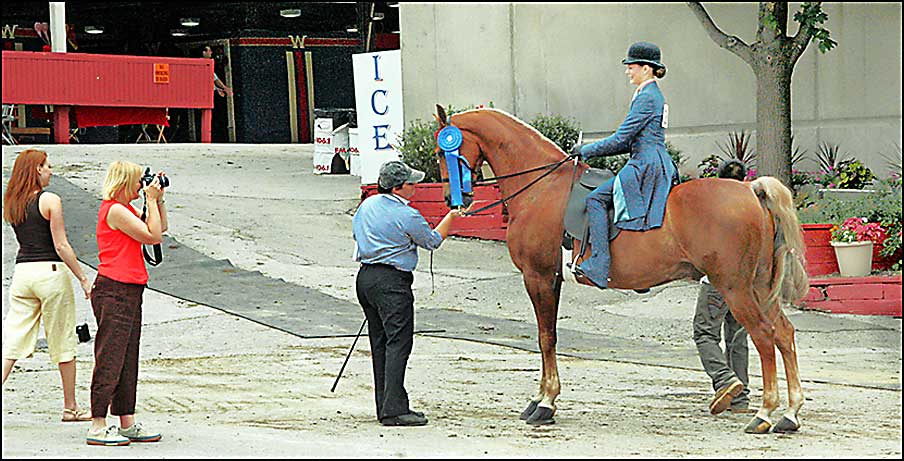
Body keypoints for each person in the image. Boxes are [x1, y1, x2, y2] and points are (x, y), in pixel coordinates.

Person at [352, 161, 464, 427]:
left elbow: (357, 235)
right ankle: (394, 409)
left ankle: (385, 404)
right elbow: (432, 241)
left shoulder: (367, 205)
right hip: (392, 281)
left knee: (380, 343)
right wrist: (452, 217)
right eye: (411, 183)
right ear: (398, 187)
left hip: (366, 277)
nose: (416, 187)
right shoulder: (407, 214)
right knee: (398, 343)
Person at [572, 41, 678, 289]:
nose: (628, 71)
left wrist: (585, 150)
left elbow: (621, 138)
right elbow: (628, 141)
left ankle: (599, 264)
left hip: (645, 163)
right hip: (651, 157)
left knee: (596, 200)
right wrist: (590, 153)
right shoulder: (649, 95)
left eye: (632, 66)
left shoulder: (648, 98)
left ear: (647, 69)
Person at [2, 149, 93, 422]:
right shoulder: (50, 200)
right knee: (63, 339)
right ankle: (70, 406)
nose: (50, 170)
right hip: (51, 272)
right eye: (47, 166)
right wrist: (83, 277)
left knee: (13, 341)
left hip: (22, 273)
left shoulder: (12, 202)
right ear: (37, 170)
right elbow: (61, 245)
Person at [86, 161, 167, 446]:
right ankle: (97, 423)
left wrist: (158, 200)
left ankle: (126, 419)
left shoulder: (126, 210)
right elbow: (152, 236)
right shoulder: (115, 210)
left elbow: (160, 227)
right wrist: (150, 199)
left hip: (130, 288)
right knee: (110, 356)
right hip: (114, 288)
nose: (139, 186)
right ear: (124, 182)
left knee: (128, 356)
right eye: (137, 182)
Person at [694, 159, 751, 415]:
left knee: (704, 333)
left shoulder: (714, 210)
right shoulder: (751, 209)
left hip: (717, 283)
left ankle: (725, 379)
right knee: (738, 339)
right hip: (745, 284)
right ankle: (741, 400)